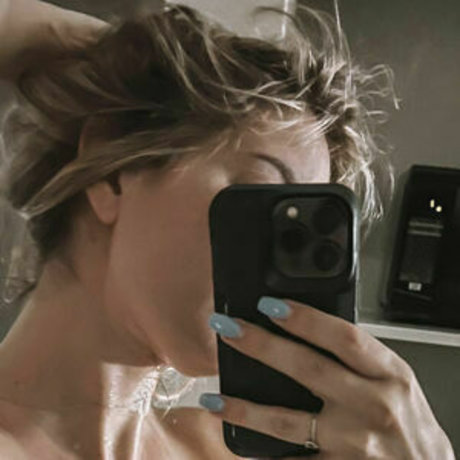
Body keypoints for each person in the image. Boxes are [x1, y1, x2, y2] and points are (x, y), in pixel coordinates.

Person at [0, 0, 455, 458]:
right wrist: (134, 58)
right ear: (114, 175)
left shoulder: (252, 449)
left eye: (297, 231)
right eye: (260, 195)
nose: (277, 265)